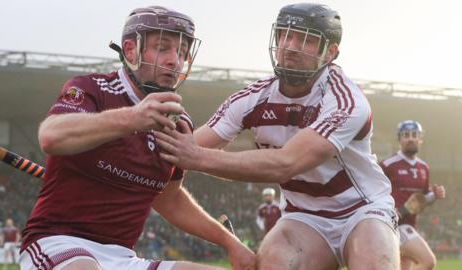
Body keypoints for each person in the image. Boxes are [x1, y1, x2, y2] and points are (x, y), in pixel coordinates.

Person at [155, 3, 400, 269]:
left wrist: (195, 157)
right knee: (273, 263)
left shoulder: (345, 100)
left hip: (361, 209)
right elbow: (186, 148)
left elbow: (287, 162)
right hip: (304, 217)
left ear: (330, 52)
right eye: (285, 35)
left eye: (306, 39)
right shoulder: (251, 98)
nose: (290, 45)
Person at [18, 6, 254, 270]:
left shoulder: (179, 123)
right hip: (59, 243)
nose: (174, 61)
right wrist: (133, 118)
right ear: (130, 50)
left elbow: (169, 198)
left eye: (182, 52)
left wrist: (230, 243)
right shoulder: (92, 88)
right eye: (163, 47)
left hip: (122, 257)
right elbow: (51, 136)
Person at [380, 120, 446, 270]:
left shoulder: (424, 167)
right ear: (399, 139)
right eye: (406, 135)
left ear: (420, 139)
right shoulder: (387, 164)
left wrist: (434, 195)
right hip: (394, 225)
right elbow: (372, 191)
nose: (410, 138)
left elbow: (424, 198)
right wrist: (389, 210)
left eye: (414, 135)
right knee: (428, 261)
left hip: (410, 224)